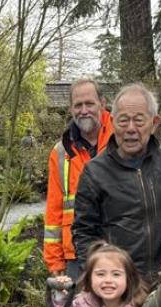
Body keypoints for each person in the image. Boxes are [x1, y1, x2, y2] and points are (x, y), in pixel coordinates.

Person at [72, 82, 161, 280]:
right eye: (123, 121)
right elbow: (84, 232)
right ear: (111, 121)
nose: (130, 129)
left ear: (154, 123)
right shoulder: (95, 172)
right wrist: (102, 278)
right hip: (122, 284)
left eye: (139, 121)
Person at [44, 79, 114, 279]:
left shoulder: (122, 139)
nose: (84, 110)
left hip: (119, 248)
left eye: (89, 104)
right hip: (75, 254)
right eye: (78, 105)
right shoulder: (59, 153)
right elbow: (53, 212)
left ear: (102, 103)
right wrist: (54, 261)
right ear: (71, 109)